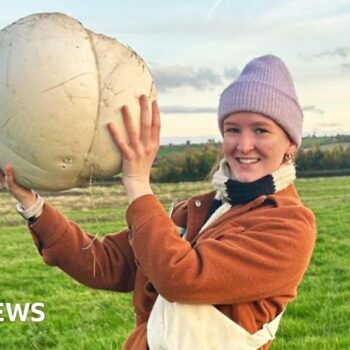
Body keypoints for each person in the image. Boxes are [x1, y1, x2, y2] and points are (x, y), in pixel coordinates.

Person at [0, 54, 316, 350]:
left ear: (290, 142)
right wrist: (33, 205)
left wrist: (138, 184)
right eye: (233, 130)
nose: (243, 145)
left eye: (261, 130)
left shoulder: (289, 226)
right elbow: (109, 262)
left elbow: (181, 278)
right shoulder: (198, 210)